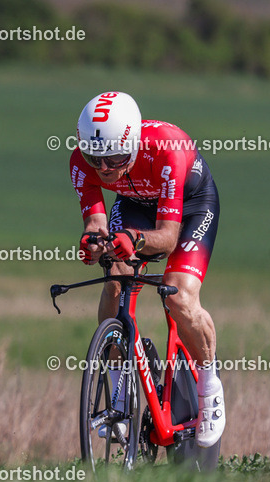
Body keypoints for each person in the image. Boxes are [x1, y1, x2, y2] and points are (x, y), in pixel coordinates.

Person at [69, 91, 225, 447]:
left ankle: (209, 387)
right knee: (115, 278)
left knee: (179, 295)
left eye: (115, 158)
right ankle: (119, 392)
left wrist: (134, 239)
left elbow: (167, 239)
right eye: (95, 158)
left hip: (191, 206)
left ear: (134, 143)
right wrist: (94, 243)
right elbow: (95, 224)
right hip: (135, 203)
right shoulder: (80, 162)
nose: (104, 168)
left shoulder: (167, 149)